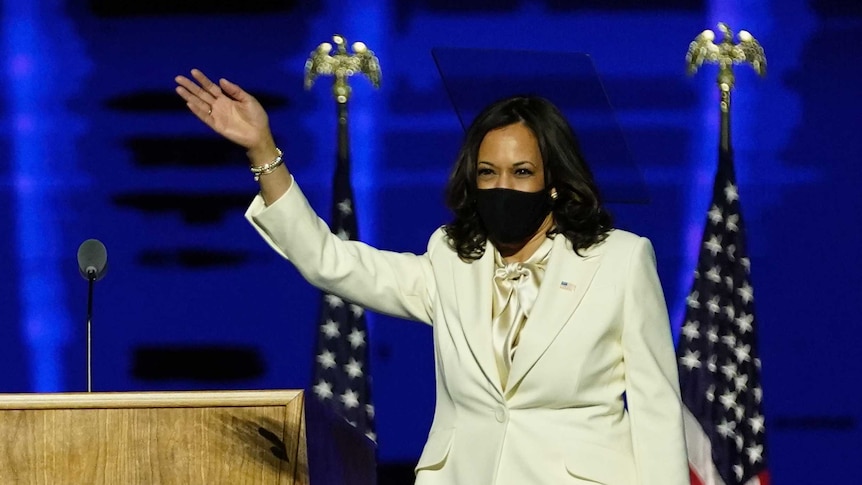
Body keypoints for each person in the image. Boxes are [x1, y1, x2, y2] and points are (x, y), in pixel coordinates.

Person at [175, 68, 690, 485]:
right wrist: (263, 152)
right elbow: (330, 262)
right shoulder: (451, 259)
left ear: (554, 182)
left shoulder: (620, 260)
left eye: (522, 172)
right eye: (488, 173)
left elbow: (657, 412)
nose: (502, 186)